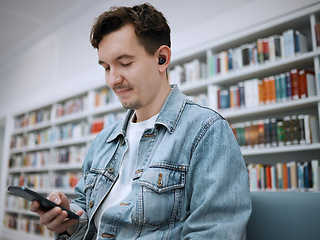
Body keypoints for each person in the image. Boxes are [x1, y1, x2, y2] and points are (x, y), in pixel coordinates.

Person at [30, 3, 252, 239]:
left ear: (162, 58)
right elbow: (88, 217)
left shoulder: (207, 131)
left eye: (125, 63)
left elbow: (215, 232)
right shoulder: (103, 140)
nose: (113, 80)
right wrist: (68, 221)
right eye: (106, 67)